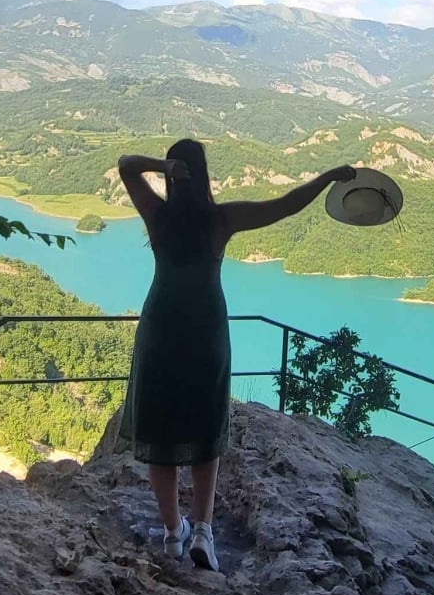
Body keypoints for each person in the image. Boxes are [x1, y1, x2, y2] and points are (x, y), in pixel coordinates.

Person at [117, 140, 356, 571]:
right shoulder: (221, 220)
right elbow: (284, 206)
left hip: (160, 331)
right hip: (206, 333)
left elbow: (126, 165)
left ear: (173, 176)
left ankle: (173, 534)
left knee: (161, 430)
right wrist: (328, 177)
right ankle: (204, 532)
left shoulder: (157, 216)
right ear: (205, 174)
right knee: (206, 426)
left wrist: (160, 165)